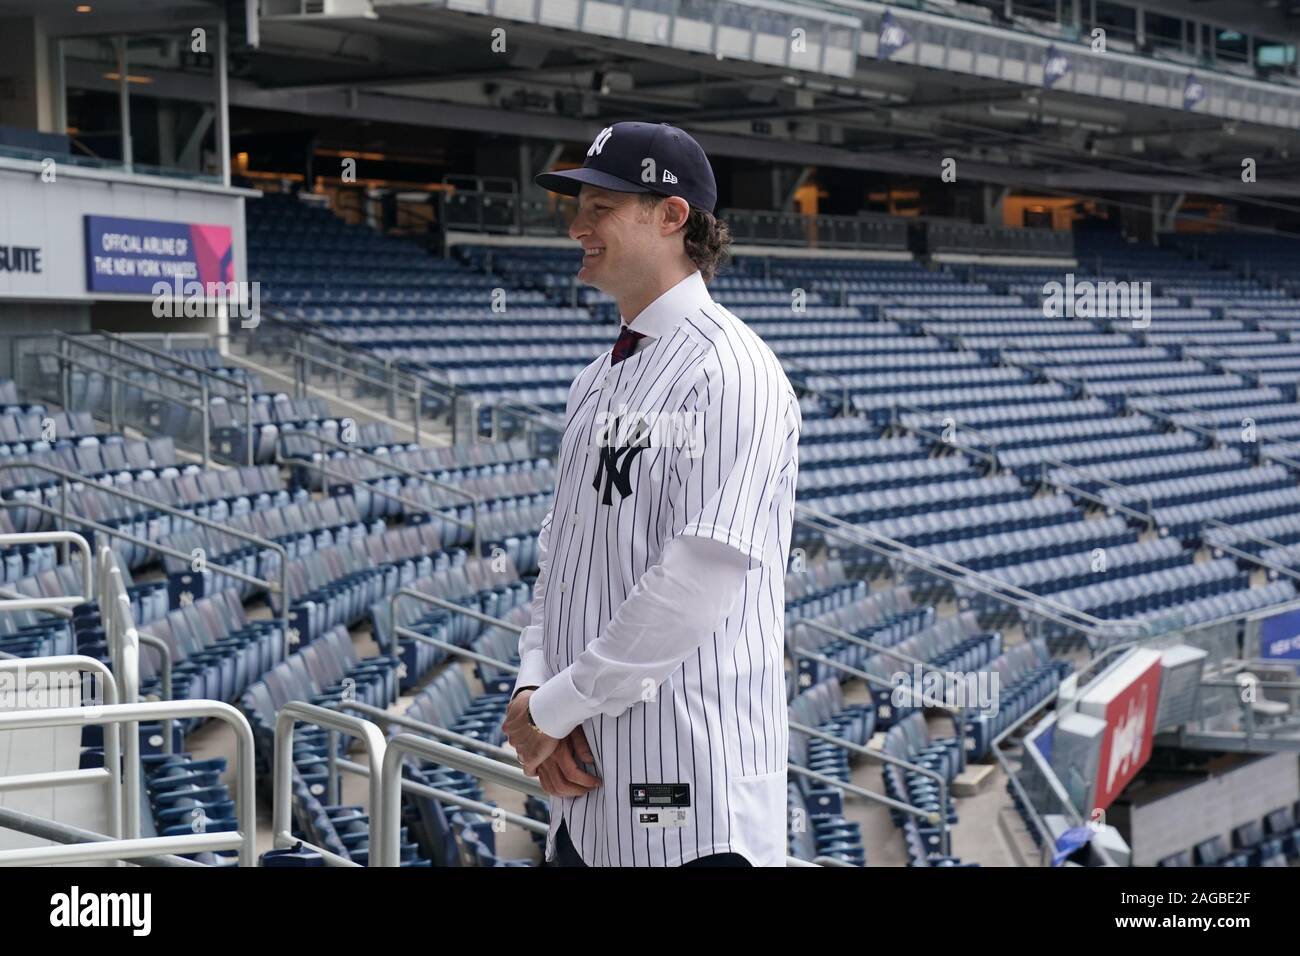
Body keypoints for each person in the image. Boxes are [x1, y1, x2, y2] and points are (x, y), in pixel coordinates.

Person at [501, 121, 801, 867]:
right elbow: (558, 554)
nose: (576, 226)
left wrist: (553, 709)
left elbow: (694, 586)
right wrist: (532, 686)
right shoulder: (595, 378)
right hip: (585, 799)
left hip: (694, 810)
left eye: (599, 207)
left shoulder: (733, 371)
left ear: (671, 216)